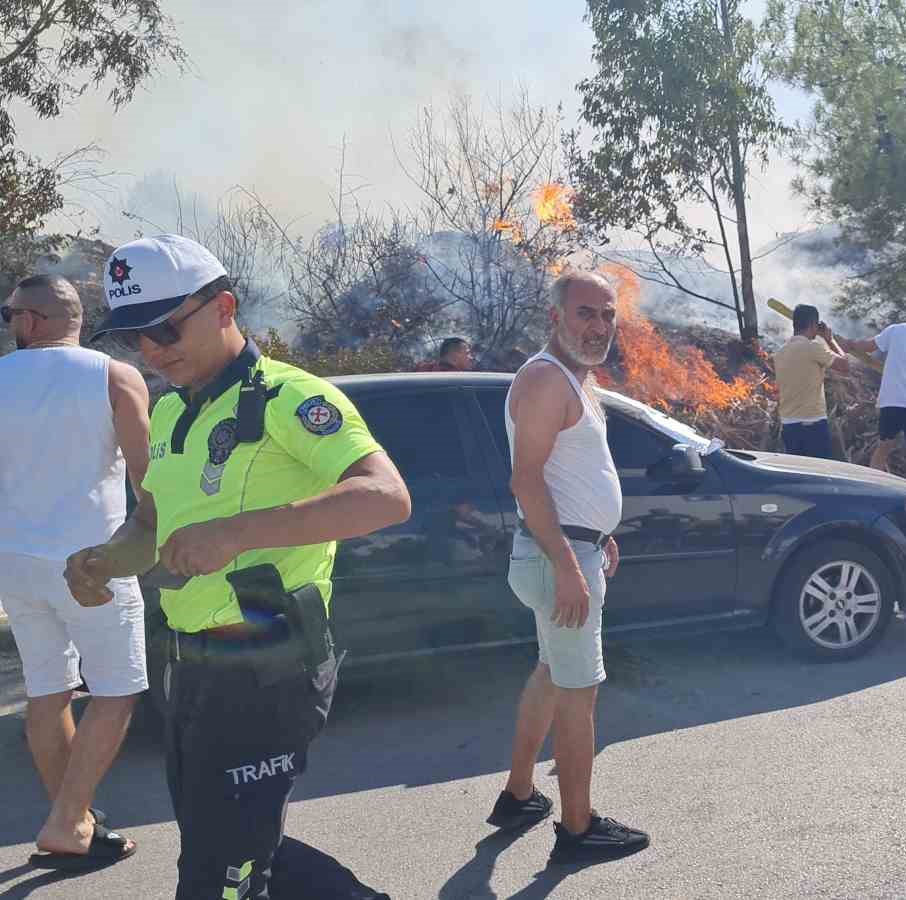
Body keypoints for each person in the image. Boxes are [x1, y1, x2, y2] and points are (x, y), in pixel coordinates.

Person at [66, 234, 412, 898]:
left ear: (223, 306)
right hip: (189, 665)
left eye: (166, 327)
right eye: (136, 335)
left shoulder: (288, 398)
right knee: (225, 842)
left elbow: (386, 496)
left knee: (219, 874)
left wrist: (237, 533)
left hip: (270, 667)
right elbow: (150, 524)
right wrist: (105, 561)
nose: (153, 349)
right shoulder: (168, 413)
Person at [494, 269, 649, 864]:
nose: (599, 325)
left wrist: (595, 535)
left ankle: (518, 796)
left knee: (549, 671)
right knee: (579, 693)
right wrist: (567, 562)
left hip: (569, 548)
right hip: (554, 558)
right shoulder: (543, 379)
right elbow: (525, 479)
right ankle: (578, 829)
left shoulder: (576, 381)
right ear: (556, 318)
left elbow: (568, 475)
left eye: (608, 314)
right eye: (586, 312)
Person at [1, 274, 149, 872]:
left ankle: (79, 821)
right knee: (117, 689)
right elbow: (147, 476)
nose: (9, 323)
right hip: (91, 560)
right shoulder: (114, 376)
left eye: (11, 313)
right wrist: (157, 543)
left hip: (14, 559)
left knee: (48, 689)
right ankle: (68, 820)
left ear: (33, 320)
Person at [837, 296, 906, 473]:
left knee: (883, 447)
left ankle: (873, 485)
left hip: (892, 401)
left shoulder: (896, 330)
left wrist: (848, 344)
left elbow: (867, 346)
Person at [773, 303, 851, 458]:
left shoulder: (780, 353)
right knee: (819, 473)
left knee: (799, 474)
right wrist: (830, 340)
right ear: (812, 324)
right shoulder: (813, 347)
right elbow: (845, 365)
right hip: (812, 423)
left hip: (789, 424)